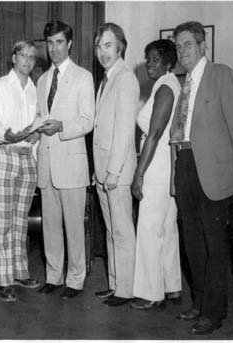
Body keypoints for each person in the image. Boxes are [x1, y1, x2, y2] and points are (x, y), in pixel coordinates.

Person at [171, 21, 233, 335]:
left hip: (214, 172)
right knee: (193, 244)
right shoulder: (183, 83)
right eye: (178, 46)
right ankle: (199, 303)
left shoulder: (222, 75)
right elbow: (180, 134)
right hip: (185, 164)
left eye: (187, 44)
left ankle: (214, 313)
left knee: (215, 247)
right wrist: (176, 175)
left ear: (202, 46)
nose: (182, 51)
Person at [36, 20, 95, 299]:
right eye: (50, 43)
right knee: (50, 226)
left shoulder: (83, 77)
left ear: (69, 44)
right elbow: (40, 118)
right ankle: (53, 275)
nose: (55, 48)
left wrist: (62, 127)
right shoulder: (42, 80)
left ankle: (75, 279)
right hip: (46, 164)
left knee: (73, 226)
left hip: (71, 163)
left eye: (60, 42)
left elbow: (87, 120)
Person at [130, 39, 182, 310]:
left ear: (167, 62)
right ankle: (172, 287)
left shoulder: (164, 87)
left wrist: (139, 173)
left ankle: (151, 293)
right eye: (148, 58)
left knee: (149, 229)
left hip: (156, 166)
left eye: (154, 59)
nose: (149, 63)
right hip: (166, 165)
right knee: (166, 228)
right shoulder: (171, 84)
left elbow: (154, 134)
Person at [92, 23, 139, 307]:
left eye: (107, 45)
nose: (102, 52)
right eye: (99, 46)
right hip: (103, 170)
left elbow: (123, 130)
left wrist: (112, 171)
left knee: (122, 231)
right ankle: (115, 283)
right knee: (111, 231)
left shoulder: (125, 79)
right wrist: (98, 169)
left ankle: (126, 289)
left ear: (120, 46)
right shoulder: (108, 79)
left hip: (116, 173)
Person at [0, 40, 40, 302]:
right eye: (23, 55)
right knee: (3, 222)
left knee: (21, 221)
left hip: (27, 160)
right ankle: (4, 278)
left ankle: (20, 272)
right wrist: (4, 134)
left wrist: (36, 140)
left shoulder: (35, 88)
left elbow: (38, 123)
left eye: (32, 57)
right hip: (6, 155)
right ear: (13, 57)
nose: (28, 61)